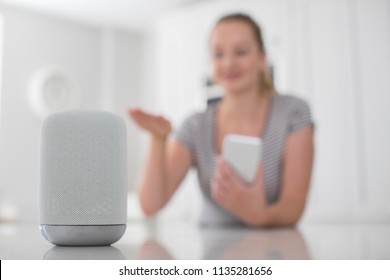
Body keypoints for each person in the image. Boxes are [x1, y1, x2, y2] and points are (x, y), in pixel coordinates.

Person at [128, 13, 314, 227]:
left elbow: (294, 206)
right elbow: (151, 205)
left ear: (262, 58)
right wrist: (158, 139)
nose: (228, 63)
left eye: (241, 52)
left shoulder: (293, 113)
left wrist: (259, 214)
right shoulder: (195, 126)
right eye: (218, 54)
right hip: (212, 252)